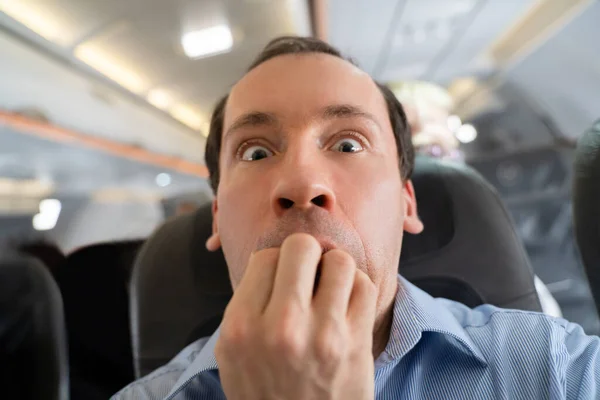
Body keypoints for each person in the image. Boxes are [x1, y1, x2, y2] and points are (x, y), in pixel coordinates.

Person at [113, 36, 600, 399]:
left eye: (348, 144)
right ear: (217, 218)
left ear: (406, 203)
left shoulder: (557, 369)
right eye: (256, 153)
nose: (303, 184)